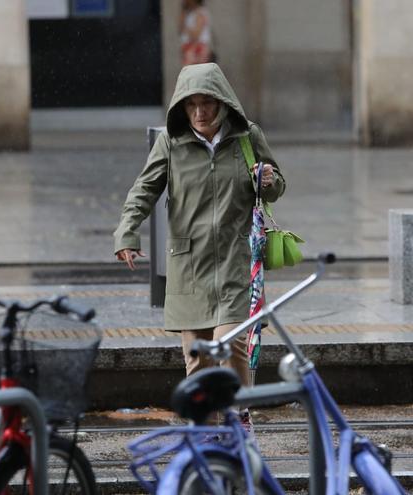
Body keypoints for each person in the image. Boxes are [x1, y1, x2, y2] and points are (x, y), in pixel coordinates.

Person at [113, 63, 285, 430]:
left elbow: (275, 185)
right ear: (182, 107)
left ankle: (238, 420)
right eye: (192, 105)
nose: (200, 112)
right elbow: (144, 189)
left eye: (207, 103)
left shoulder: (246, 137)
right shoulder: (171, 143)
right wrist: (127, 232)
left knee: (233, 345)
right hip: (190, 264)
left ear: (223, 103)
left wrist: (268, 180)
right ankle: (206, 438)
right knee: (198, 362)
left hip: (237, 262)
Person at [179, 0, 214, 66]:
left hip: (196, 49)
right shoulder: (189, 12)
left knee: (195, 73)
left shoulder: (200, 12)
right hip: (191, 48)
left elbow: (195, 35)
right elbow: (180, 29)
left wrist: (186, 29)